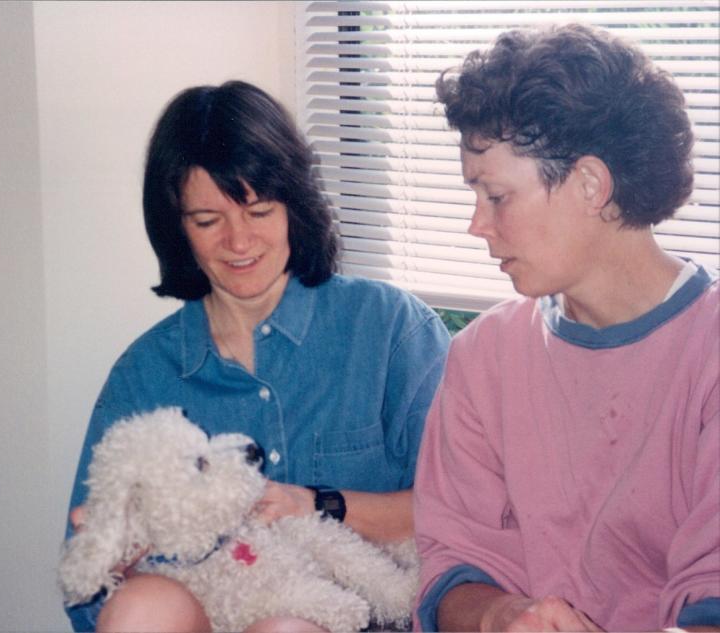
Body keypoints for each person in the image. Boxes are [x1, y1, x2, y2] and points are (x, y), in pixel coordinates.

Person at [64, 80, 451, 632]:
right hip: (214, 609)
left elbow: (465, 515)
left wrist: (319, 505)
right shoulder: (144, 374)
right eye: (207, 221)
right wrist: (116, 557)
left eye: (259, 211)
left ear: (295, 206)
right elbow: (87, 597)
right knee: (138, 608)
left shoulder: (390, 330)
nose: (238, 242)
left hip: (359, 614)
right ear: (176, 227)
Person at [413, 23, 719, 633]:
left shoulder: (708, 355)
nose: (478, 225)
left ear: (589, 184)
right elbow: (451, 567)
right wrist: (500, 616)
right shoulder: (484, 356)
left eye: (496, 196)